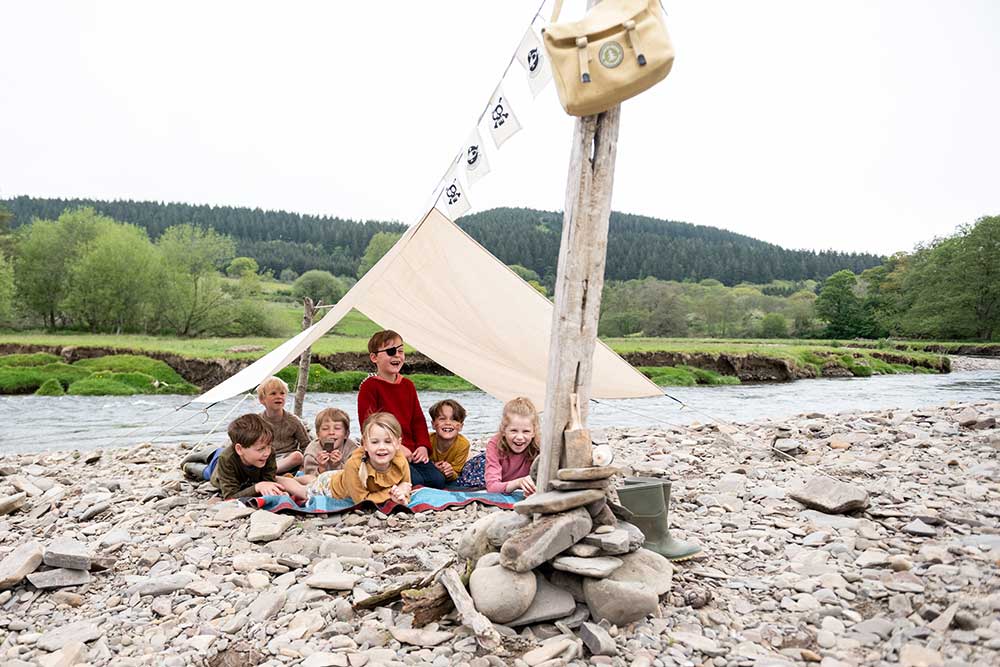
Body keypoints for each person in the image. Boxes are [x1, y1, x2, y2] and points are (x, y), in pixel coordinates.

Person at [357, 330, 442, 488]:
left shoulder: (408, 385)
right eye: (390, 351)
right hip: (386, 450)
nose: (397, 355)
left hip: (411, 450)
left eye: (401, 351)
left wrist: (423, 446)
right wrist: (397, 447)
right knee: (415, 480)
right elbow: (368, 424)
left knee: (437, 480)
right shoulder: (369, 387)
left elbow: (417, 419)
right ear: (374, 357)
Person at [198, 413, 308, 501]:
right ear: (240, 449)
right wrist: (257, 487)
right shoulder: (226, 460)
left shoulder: (268, 453)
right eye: (260, 449)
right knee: (206, 470)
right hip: (217, 470)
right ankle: (192, 462)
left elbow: (269, 481)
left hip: (246, 474)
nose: (266, 452)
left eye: (269, 446)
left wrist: (274, 491)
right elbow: (229, 497)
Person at [309, 412, 412, 505]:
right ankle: (293, 482)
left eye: (388, 441)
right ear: (365, 444)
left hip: (342, 475)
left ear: (398, 443)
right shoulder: (354, 464)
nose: (382, 447)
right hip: (329, 485)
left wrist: (402, 497)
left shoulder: (400, 460)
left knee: (308, 480)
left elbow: (406, 487)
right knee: (302, 491)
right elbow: (361, 500)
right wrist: (391, 493)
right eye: (375, 442)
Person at [484, 396, 540, 495]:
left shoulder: (540, 446)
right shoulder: (494, 444)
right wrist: (518, 483)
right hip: (483, 468)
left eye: (526, 431)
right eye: (514, 430)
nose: (519, 437)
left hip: (511, 478)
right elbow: (492, 487)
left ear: (534, 432)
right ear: (504, 430)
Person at [257, 376, 310, 475]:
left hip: (288, 458)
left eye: (282, 393)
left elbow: (306, 445)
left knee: (297, 456)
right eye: (273, 393)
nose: (279, 396)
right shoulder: (258, 421)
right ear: (262, 399)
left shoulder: (293, 421)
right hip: (266, 458)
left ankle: (267, 473)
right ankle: (269, 472)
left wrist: (304, 466)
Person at [298, 407, 359, 484]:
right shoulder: (312, 452)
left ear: (346, 434)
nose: (331, 432)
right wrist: (322, 468)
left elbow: (354, 476)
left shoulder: (352, 450)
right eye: (325, 428)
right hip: (320, 484)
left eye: (337, 428)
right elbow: (310, 478)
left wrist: (337, 466)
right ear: (318, 434)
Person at [427, 399, 470, 484]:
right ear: (433, 424)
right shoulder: (427, 439)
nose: (448, 423)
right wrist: (433, 467)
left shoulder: (463, 444)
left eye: (454, 419)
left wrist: (450, 472)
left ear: (461, 426)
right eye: (442, 419)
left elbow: (456, 473)